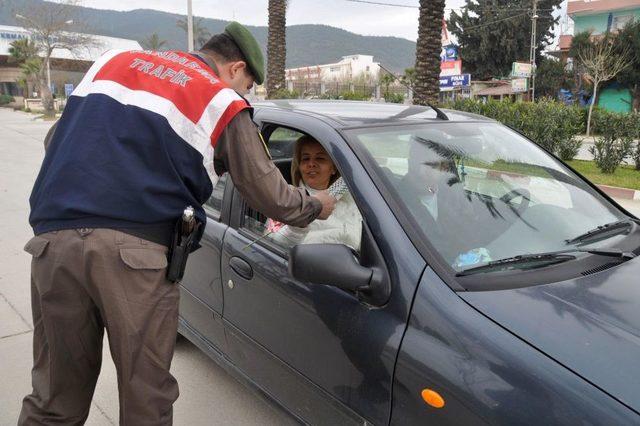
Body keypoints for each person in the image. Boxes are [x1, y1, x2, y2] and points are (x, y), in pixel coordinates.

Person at [19, 22, 336, 425]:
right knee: (145, 400)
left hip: (53, 245)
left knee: (53, 399)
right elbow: (271, 196)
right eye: (249, 85)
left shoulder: (111, 63)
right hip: (134, 257)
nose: (245, 93)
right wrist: (316, 205)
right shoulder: (221, 98)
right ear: (237, 68)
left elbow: (55, 142)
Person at [269, 135, 362, 251]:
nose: (311, 164)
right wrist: (301, 219)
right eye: (305, 159)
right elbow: (274, 243)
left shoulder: (354, 194)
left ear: (333, 168)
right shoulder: (288, 199)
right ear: (300, 166)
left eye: (320, 159)